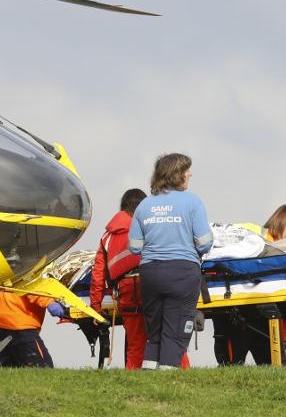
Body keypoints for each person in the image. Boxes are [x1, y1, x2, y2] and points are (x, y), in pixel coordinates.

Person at [129, 153, 212, 369]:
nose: (190, 174)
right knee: (175, 332)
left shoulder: (144, 205)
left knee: (154, 333)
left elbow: (135, 247)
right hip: (182, 273)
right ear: (178, 175)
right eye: (187, 171)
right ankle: (168, 383)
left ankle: (148, 379)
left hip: (150, 274)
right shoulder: (192, 201)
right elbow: (204, 243)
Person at [214, 204, 286, 366]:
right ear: (280, 221)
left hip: (264, 317)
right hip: (236, 312)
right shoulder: (253, 235)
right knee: (230, 368)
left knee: (274, 370)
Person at [90, 188, 148, 369]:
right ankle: (181, 376)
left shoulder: (107, 236)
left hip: (126, 290)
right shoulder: (149, 226)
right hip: (151, 285)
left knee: (135, 343)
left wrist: (96, 308)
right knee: (168, 337)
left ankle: (134, 384)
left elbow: (98, 274)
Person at [0, 292, 62, 367]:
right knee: (43, 368)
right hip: (20, 323)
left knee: (4, 366)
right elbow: (33, 285)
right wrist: (49, 302)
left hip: (5, 317)